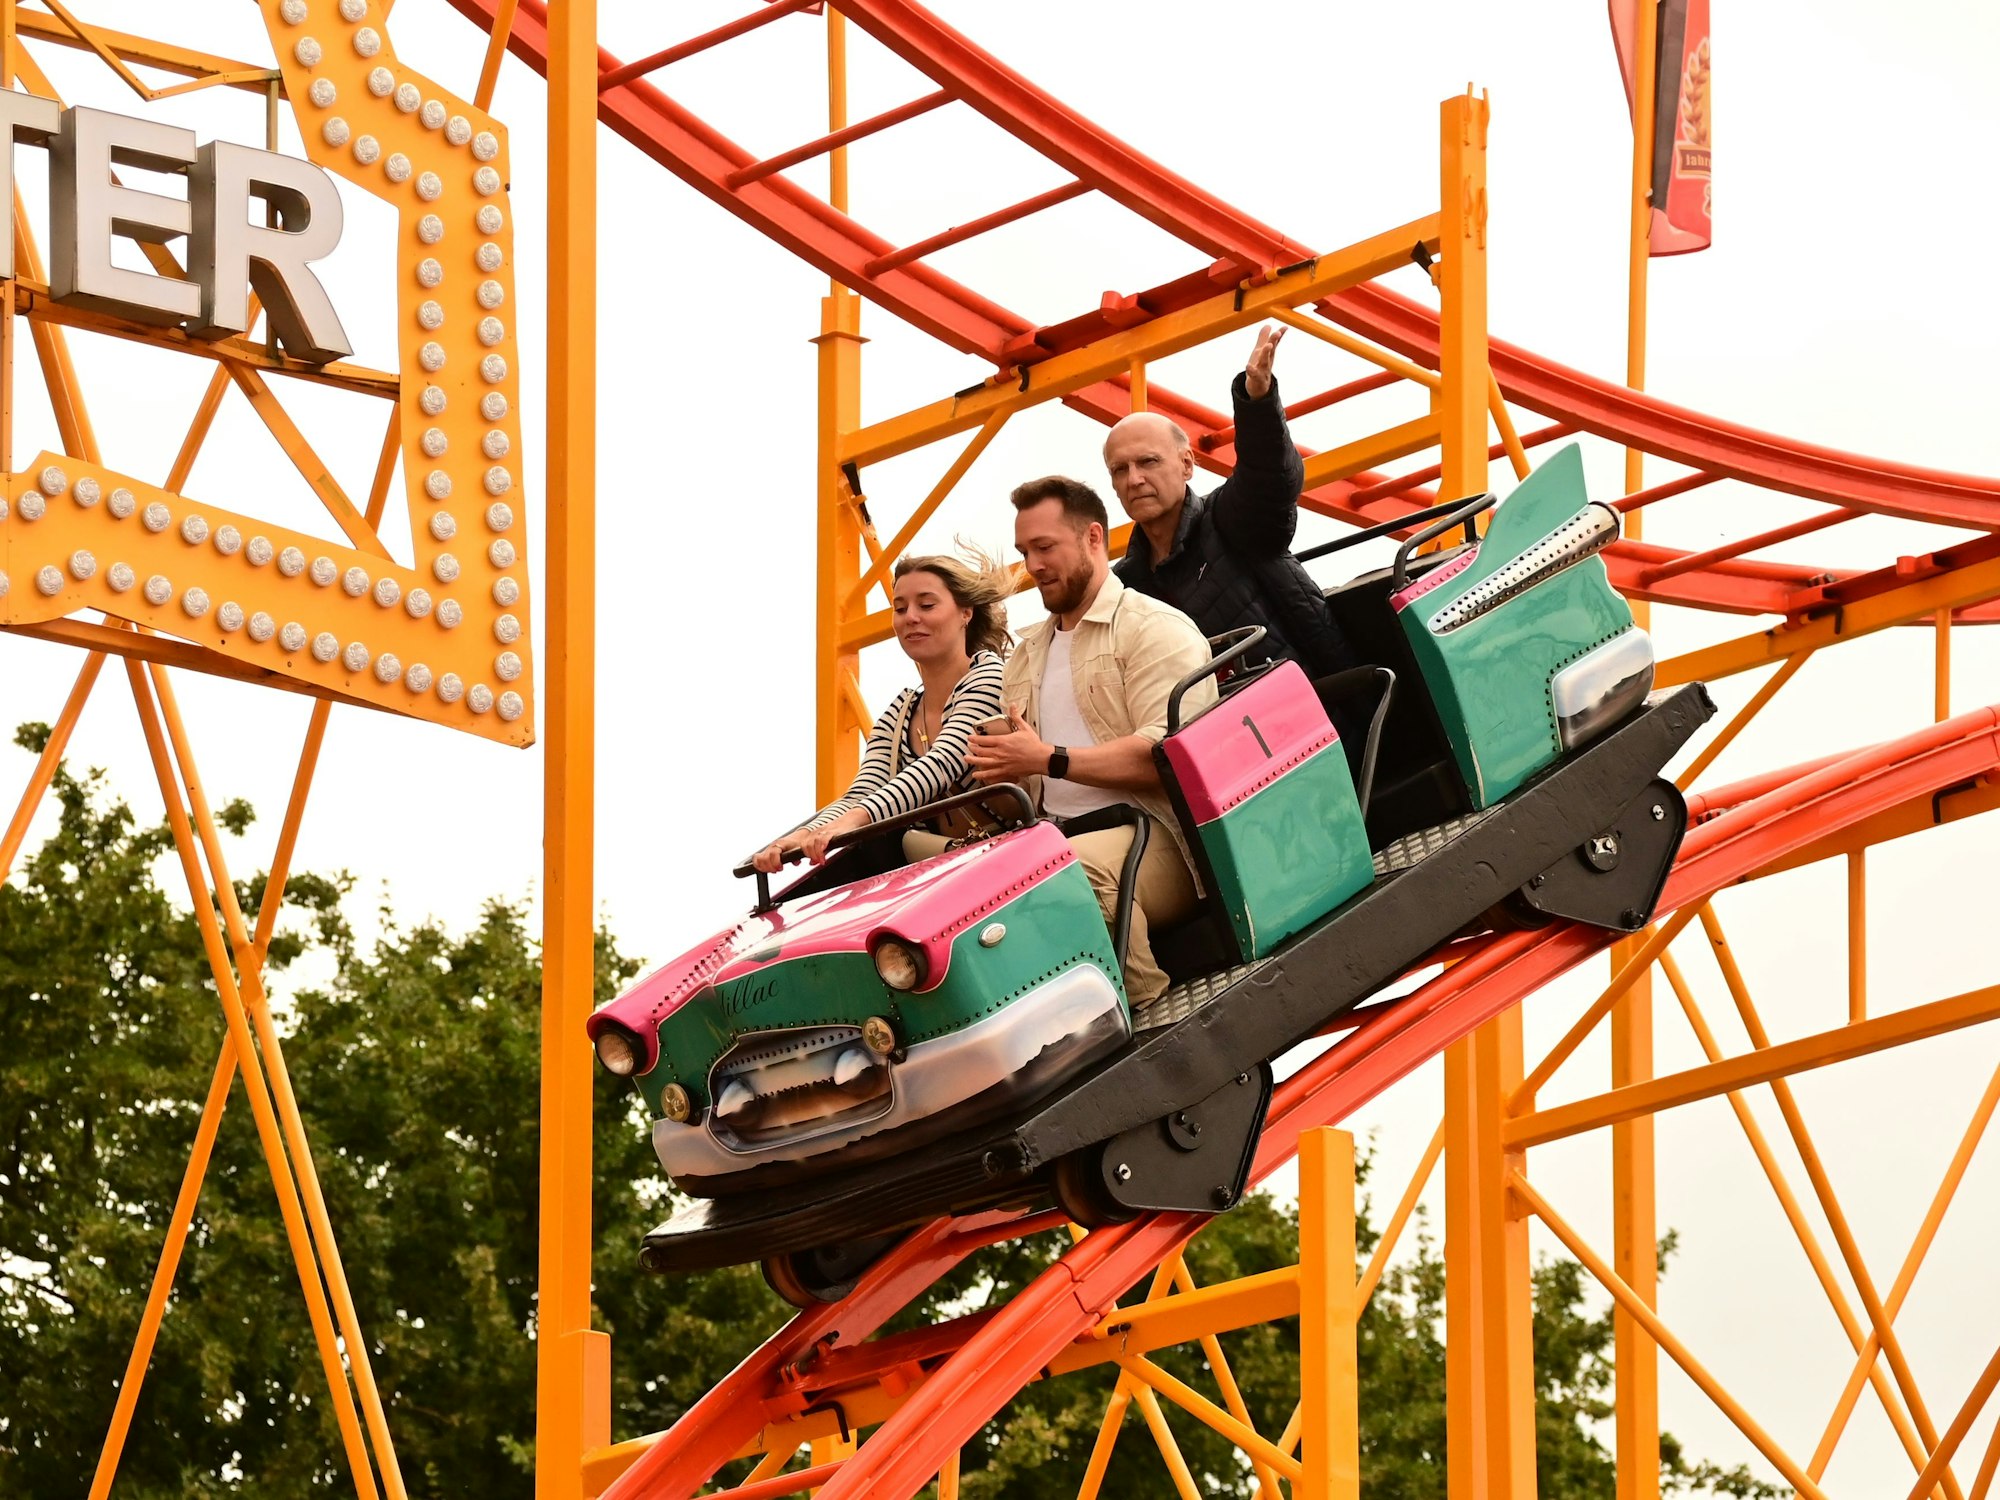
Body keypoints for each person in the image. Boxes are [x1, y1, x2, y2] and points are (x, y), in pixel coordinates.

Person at [966, 476, 1217, 1009]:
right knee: (948, 885)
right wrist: (999, 770)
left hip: (1157, 836)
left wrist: (1048, 759)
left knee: (1070, 872)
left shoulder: (1153, 628)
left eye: (1045, 547)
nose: (1032, 565)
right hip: (1050, 835)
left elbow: (1168, 757)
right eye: (1024, 551)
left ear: (1093, 539)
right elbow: (1024, 772)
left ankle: (1152, 1014)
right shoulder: (1026, 651)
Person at [1104, 324, 1355, 680]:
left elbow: (1271, 479)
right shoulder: (1126, 587)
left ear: (1187, 464)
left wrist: (1258, 402)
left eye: (1148, 462)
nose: (1134, 479)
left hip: (1318, 708)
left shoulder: (1228, 518)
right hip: (1218, 731)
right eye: (1119, 469)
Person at [751, 548, 1011, 873]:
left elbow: (944, 762)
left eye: (927, 605)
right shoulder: (901, 713)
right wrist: (804, 834)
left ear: (965, 613)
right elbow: (863, 791)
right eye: (899, 608)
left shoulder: (990, 677)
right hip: (951, 864)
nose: (911, 617)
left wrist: (857, 820)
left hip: (1015, 855)